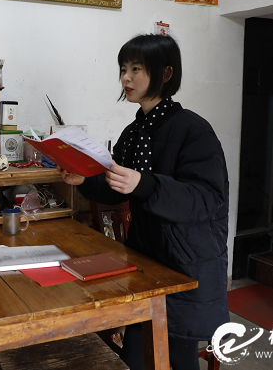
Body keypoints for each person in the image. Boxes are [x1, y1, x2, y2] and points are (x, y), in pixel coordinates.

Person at [60, 34, 229, 370]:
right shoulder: (134, 131)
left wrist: (145, 184)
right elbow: (118, 188)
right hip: (146, 260)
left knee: (177, 355)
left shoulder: (194, 130)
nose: (126, 77)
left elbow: (206, 199)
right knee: (139, 354)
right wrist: (86, 180)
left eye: (136, 69)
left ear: (165, 73)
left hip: (187, 263)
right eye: (123, 69)